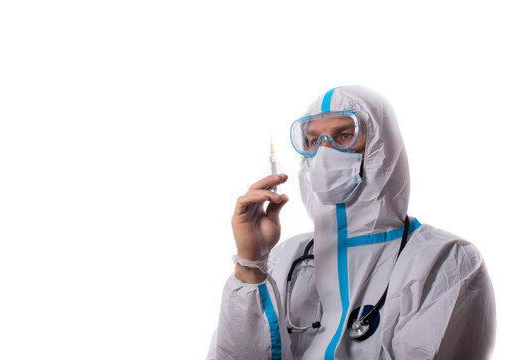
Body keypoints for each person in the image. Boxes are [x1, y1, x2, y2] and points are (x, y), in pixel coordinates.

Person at [206, 86, 496, 359]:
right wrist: (250, 264)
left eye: (343, 135)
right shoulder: (285, 257)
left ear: (381, 147)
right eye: (313, 140)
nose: (324, 152)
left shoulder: (445, 262)